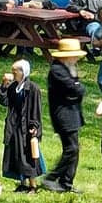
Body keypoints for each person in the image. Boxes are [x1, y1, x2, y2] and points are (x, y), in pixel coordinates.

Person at [40, 39, 88, 193]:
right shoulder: (57, 70)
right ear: (65, 56)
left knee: (74, 148)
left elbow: (77, 90)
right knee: (71, 149)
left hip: (72, 113)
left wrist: (77, 86)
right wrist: (77, 86)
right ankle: (51, 178)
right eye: (74, 56)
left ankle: (66, 182)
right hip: (64, 115)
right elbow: (76, 90)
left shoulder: (68, 69)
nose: (76, 59)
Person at [0, 59, 45, 192]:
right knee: (16, 154)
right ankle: (22, 182)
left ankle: (33, 185)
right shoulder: (13, 87)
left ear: (23, 72)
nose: (13, 73)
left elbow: (36, 108)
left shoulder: (32, 88)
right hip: (15, 126)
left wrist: (35, 125)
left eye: (15, 71)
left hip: (27, 127)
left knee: (28, 155)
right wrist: (4, 85)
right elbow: (4, 102)